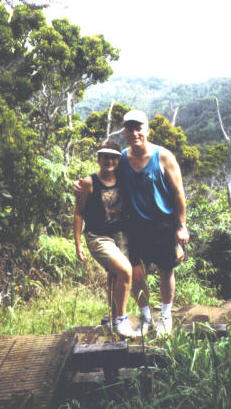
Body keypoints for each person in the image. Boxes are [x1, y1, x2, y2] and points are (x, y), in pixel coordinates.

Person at [120, 109, 189, 336]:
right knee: (137, 274)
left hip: (163, 224)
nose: (134, 132)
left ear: (147, 130)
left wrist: (181, 225)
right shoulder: (122, 158)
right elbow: (106, 180)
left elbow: (178, 193)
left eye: (138, 127)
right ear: (125, 132)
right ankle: (146, 317)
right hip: (135, 226)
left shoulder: (164, 156)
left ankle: (166, 316)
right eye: (130, 128)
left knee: (165, 270)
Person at [73, 139, 135, 339]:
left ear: (118, 160)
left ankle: (111, 317)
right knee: (125, 271)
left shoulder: (123, 179)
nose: (109, 161)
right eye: (105, 156)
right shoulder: (89, 183)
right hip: (98, 237)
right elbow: (78, 213)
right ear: (98, 158)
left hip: (120, 235)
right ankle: (121, 320)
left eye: (113, 157)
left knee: (115, 276)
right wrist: (78, 244)